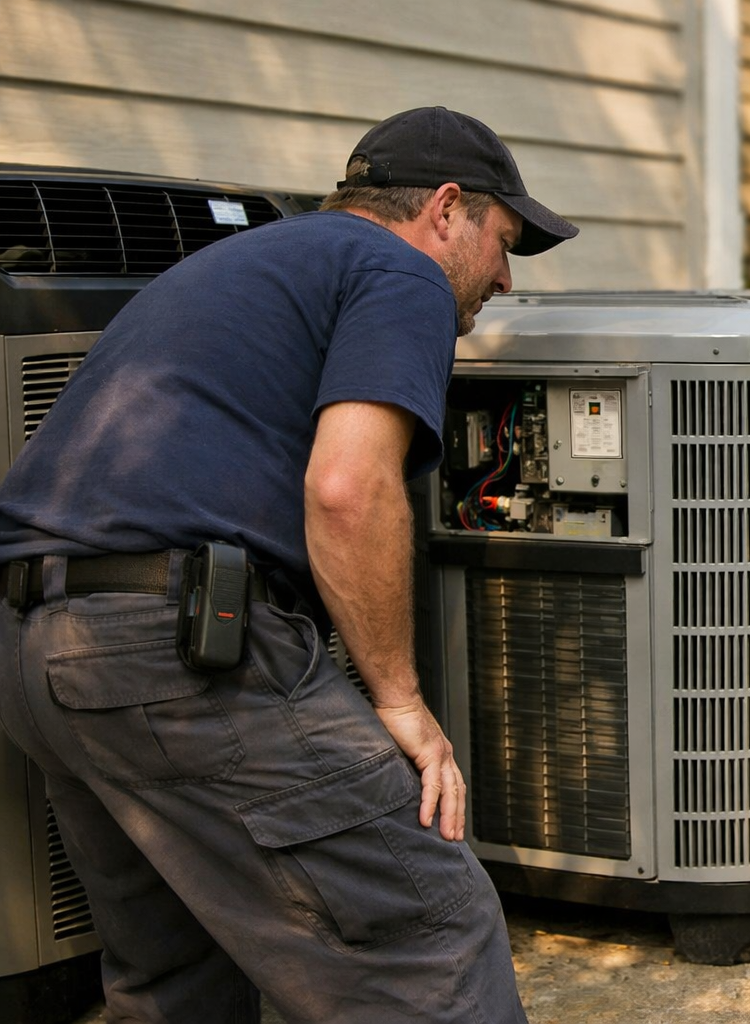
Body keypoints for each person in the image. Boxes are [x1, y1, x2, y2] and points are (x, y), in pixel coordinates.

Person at [0, 106, 576, 1023]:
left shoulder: (239, 265)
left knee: (176, 978)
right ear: (446, 209)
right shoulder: (398, 269)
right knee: (430, 935)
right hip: (170, 652)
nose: (503, 277)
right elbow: (348, 489)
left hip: (40, 655)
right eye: (504, 242)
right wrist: (400, 703)